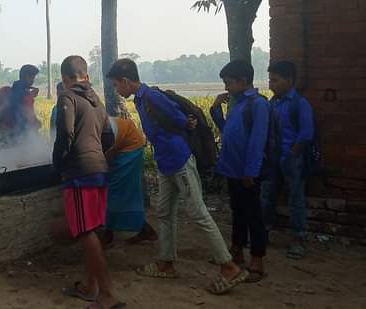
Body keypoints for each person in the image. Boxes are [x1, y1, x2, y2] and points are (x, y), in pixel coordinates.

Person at [107, 58, 248, 295]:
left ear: (125, 80)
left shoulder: (151, 96)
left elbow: (179, 117)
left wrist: (187, 123)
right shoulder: (142, 99)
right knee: (163, 211)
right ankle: (166, 262)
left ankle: (229, 266)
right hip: (165, 163)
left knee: (198, 213)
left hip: (179, 160)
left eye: (115, 85)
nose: (116, 90)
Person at [53, 56, 122, 309]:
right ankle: (89, 286)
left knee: (84, 232)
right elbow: (108, 138)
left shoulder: (68, 97)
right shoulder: (97, 100)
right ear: (86, 75)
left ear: (65, 78)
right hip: (99, 171)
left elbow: (66, 133)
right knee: (91, 230)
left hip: (79, 173)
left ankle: (106, 294)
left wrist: (58, 164)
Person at [210, 60, 270, 283]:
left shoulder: (258, 105)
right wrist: (215, 110)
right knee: (239, 212)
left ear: (242, 81)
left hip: (247, 172)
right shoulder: (240, 105)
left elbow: (257, 141)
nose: (226, 88)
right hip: (233, 170)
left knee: (254, 215)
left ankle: (257, 260)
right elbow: (228, 132)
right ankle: (236, 251)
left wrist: (251, 171)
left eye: (228, 83)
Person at [262, 61, 314, 260]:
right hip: (273, 158)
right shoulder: (272, 103)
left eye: (275, 80)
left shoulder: (299, 104)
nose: (271, 85)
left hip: (292, 159)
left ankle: (298, 239)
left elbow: (306, 133)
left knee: (296, 198)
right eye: (270, 80)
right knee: (266, 195)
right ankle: (263, 233)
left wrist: (291, 154)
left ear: (289, 80)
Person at [101, 108, 158, 248]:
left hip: (130, 148)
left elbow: (105, 157)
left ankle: (109, 235)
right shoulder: (95, 122)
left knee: (116, 190)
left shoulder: (104, 130)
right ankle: (110, 232)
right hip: (123, 143)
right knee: (116, 190)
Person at [0, 64, 42, 148]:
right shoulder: (27, 96)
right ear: (27, 77)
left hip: (0, 138)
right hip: (16, 141)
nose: (33, 81)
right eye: (32, 78)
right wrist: (38, 124)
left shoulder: (4, 90)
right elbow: (30, 121)